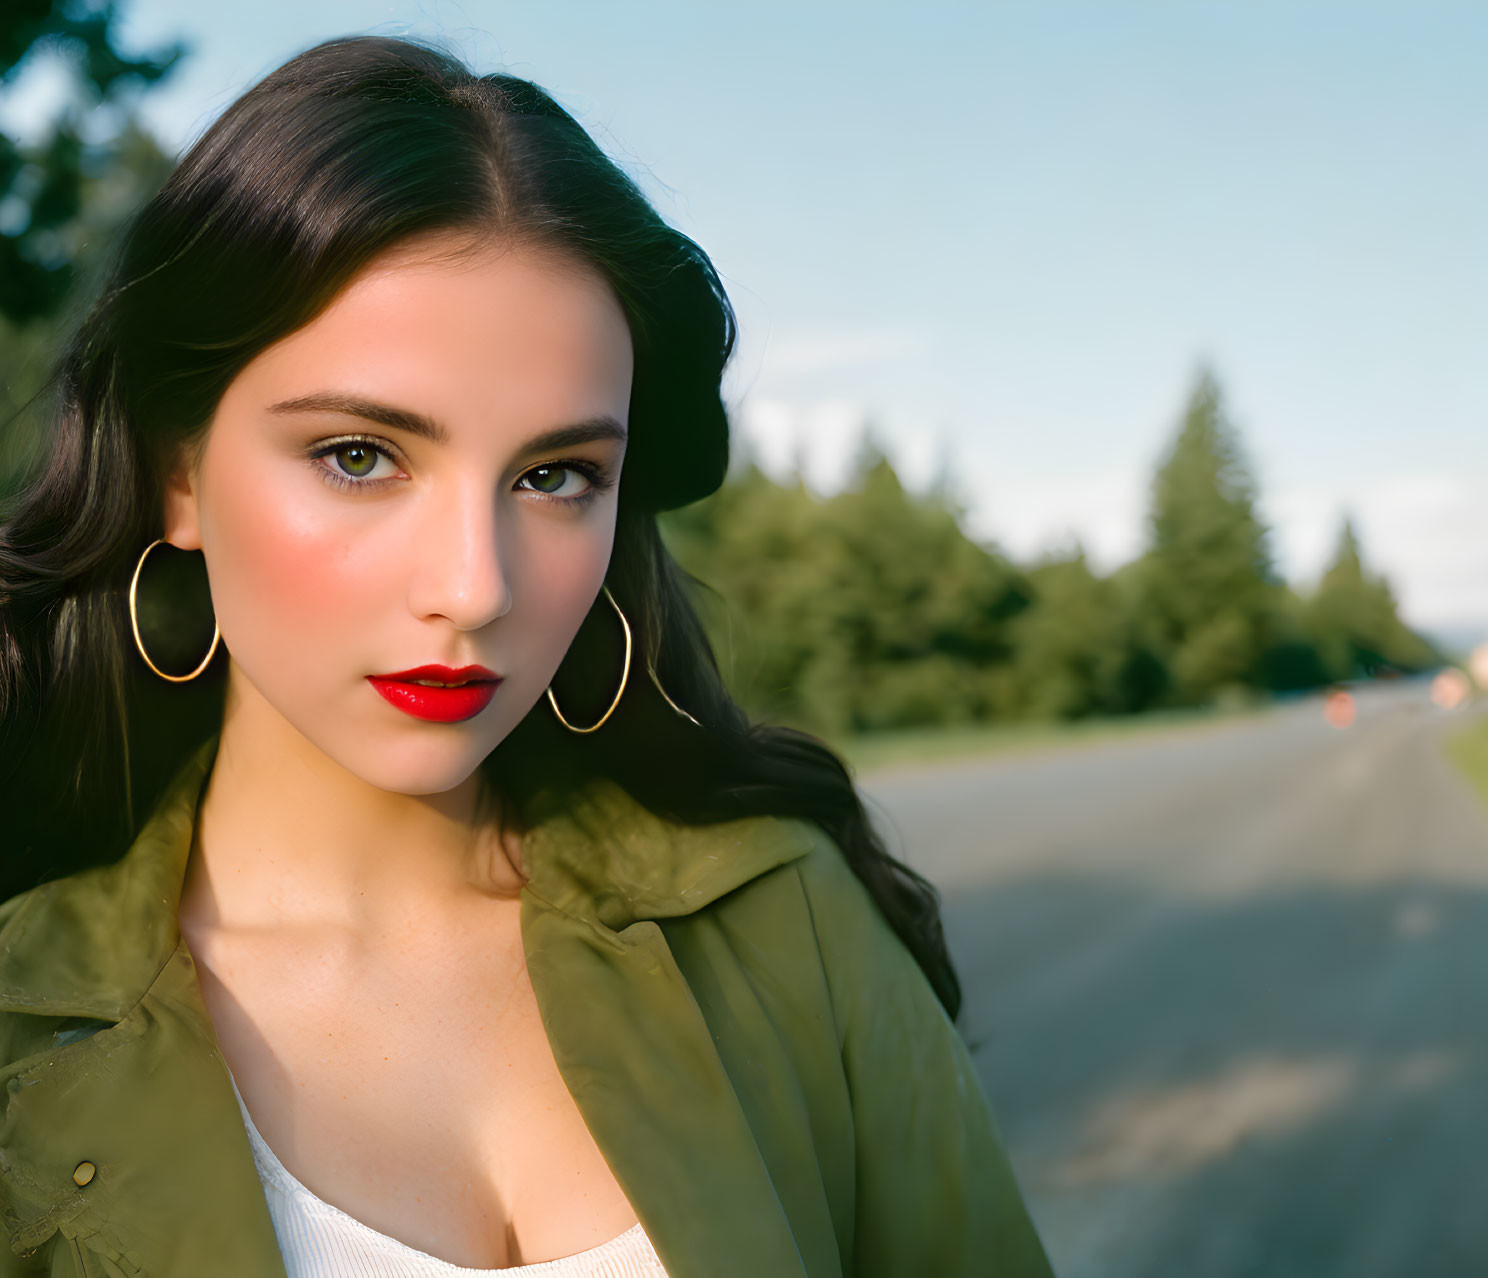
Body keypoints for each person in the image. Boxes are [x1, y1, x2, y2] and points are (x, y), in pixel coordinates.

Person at [0, 34, 1057, 1278]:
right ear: (178, 472)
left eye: (556, 477)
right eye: (358, 455)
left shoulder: (785, 915)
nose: (475, 586)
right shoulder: (21, 1033)